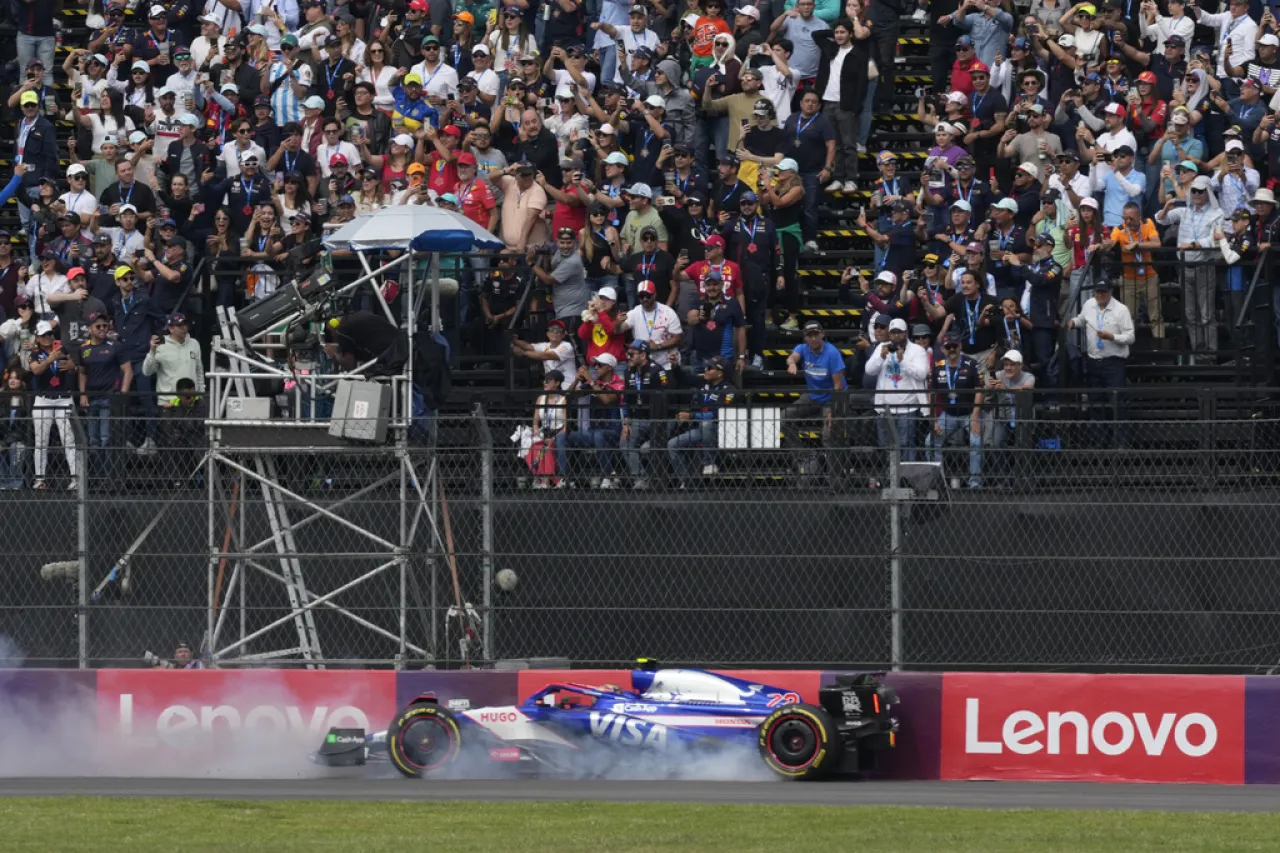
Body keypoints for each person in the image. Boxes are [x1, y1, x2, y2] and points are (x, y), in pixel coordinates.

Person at [1155, 175, 1222, 356]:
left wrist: (1193, 245)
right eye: (1194, 191)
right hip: (1184, 266)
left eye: (1201, 191)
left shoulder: (1217, 213)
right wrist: (1167, 207)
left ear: (1208, 192)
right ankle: (1198, 352)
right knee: (1190, 313)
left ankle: (1211, 353)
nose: (1197, 194)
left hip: (1204, 265)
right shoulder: (1185, 211)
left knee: (1207, 313)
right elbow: (1161, 220)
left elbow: (1215, 239)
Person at [1067, 279, 1134, 444]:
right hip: (1093, 361)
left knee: (1117, 401)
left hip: (1114, 362)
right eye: (1097, 292)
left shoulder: (1121, 310)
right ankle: (1099, 442)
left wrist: (1112, 337)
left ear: (1110, 293)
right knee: (1095, 402)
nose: (1100, 295)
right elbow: (1083, 319)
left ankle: (1122, 443)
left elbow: (1130, 337)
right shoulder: (1090, 304)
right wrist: (1074, 322)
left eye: (1103, 292)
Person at [783, 320, 846, 474]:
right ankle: (805, 458)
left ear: (822, 334)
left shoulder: (832, 353)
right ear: (805, 337)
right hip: (813, 396)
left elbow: (838, 385)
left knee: (828, 435)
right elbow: (792, 357)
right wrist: (792, 363)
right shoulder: (803, 349)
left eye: (816, 334)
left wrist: (833, 410)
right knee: (784, 418)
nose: (813, 338)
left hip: (833, 397)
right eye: (809, 335)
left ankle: (835, 477)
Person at [76, 311, 133, 479]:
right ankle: (96, 476)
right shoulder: (84, 348)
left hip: (109, 397)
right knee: (93, 441)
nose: (102, 329)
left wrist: (122, 393)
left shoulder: (115, 345)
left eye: (105, 325)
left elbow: (128, 370)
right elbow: (82, 373)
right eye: (98, 326)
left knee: (106, 438)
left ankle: (108, 477)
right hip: (92, 397)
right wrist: (82, 394)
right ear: (90, 329)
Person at [556, 353, 625, 488]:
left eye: (599, 365)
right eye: (595, 365)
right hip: (591, 432)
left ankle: (609, 476)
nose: (596, 368)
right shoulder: (593, 384)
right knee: (562, 437)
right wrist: (576, 380)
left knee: (600, 435)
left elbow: (606, 400)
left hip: (614, 430)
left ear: (610, 367)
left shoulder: (619, 383)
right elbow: (567, 397)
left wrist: (591, 380)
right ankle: (566, 479)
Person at [864, 317, 929, 459]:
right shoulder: (882, 347)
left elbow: (922, 374)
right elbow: (869, 370)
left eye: (899, 332)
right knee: (885, 445)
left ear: (906, 333)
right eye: (893, 332)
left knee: (906, 444)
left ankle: (907, 479)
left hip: (908, 407)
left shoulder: (917, 350)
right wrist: (881, 357)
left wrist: (903, 361)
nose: (896, 336)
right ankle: (891, 479)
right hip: (885, 407)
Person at [926, 330, 984, 489]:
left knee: (976, 442)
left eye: (955, 346)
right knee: (930, 441)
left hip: (969, 414)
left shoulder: (972, 364)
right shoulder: (937, 368)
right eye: (948, 346)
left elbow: (980, 391)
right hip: (948, 415)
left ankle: (975, 483)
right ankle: (937, 482)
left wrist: (975, 417)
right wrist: (934, 420)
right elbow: (931, 395)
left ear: (960, 346)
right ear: (943, 348)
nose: (952, 349)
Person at [667, 355, 735, 485]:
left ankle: (709, 463)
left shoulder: (730, 391)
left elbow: (717, 415)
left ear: (720, 373)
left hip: (721, 431)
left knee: (707, 423)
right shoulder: (703, 382)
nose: (705, 370)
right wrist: (675, 366)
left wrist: (692, 416)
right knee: (672, 444)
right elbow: (684, 379)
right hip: (700, 428)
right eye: (705, 367)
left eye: (710, 368)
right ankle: (685, 481)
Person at [28, 320, 79, 490]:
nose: (47, 337)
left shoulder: (62, 349)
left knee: (69, 439)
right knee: (41, 441)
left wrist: (73, 367)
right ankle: (40, 479)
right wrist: (50, 360)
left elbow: (73, 368)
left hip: (63, 397)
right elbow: (35, 370)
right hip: (43, 399)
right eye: (43, 335)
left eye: (49, 334)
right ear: (37, 337)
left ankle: (75, 478)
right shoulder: (34, 353)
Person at [619, 340, 669, 489]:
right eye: (628, 354)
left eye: (632, 354)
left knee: (646, 449)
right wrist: (626, 423)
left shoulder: (657, 370)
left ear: (643, 354)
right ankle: (640, 478)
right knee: (625, 444)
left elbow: (664, 397)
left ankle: (659, 481)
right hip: (637, 418)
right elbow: (626, 399)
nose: (629, 357)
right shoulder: (628, 372)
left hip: (656, 419)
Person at [620, 280, 684, 370]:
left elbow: (677, 338)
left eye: (648, 296)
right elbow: (620, 329)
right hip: (644, 364)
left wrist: (658, 346)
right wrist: (617, 322)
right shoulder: (635, 312)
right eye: (642, 296)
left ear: (654, 295)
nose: (645, 299)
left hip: (666, 363)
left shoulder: (668, 312)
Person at [528, 370, 568, 489]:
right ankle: (538, 478)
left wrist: (553, 438)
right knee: (533, 444)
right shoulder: (540, 398)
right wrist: (536, 431)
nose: (544, 382)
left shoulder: (563, 400)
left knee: (548, 446)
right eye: (544, 380)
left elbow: (566, 426)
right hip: (543, 432)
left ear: (557, 383)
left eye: (548, 380)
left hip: (558, 432)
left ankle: (548, 480)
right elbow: (535, 421)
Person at [512, 320, 577, 389]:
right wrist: (514, 340)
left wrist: (524, 353)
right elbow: (527, 346)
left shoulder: (566, 346)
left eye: (559, 330)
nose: (555, 332)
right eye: (552, 329)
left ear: (563, 335)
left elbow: (547, 355)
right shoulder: (545, 345)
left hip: (570, 386)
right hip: (552, 388)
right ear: (547, 333)